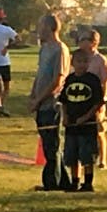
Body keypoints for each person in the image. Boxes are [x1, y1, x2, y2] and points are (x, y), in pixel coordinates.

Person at [28, 13, 71, 191]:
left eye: (41, 26)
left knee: (52, 145)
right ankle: (64, 182)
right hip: (40, 103)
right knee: (47, 143)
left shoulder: (60, 49)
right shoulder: (44, 48)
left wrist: (39, 99)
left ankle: (51, 183)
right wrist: (32, 95)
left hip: (52, 103)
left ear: (49, 27)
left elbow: (57, 80)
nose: (38, 30)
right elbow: (40, 74)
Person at [59, 47, 103, 192]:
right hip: (72, 125)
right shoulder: (70, 79)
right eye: (78, 61)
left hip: (87, 125)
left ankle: (88, 182)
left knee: (87, 155)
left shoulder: (93, 80)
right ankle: (74, 181)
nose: (81, 64)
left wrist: (86, 117)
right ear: (72, 63)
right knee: (72, 154)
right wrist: (65, 117)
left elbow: (98, 102)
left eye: (85, 61)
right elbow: (64, 101)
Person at [77, 29, 107, 169]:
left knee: (99, 130)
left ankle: (102, 159)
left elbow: (106, 80)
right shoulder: (78, 59)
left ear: (94, 42)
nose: (81, 43)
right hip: (81, 100)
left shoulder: (100, 60)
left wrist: (104, 96)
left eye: (84, 39)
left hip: (96, 100)